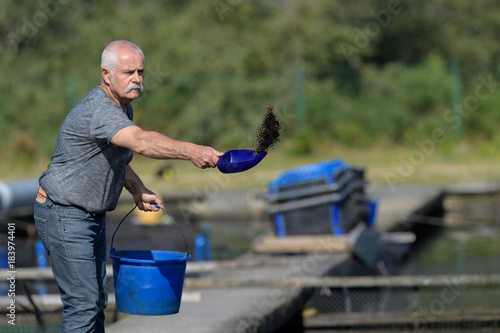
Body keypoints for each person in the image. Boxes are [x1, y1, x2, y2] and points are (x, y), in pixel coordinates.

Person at [33, 40, 223, 333]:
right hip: (63, 213)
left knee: (96, 301)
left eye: (140, 72)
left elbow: (115, 159)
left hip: (87, 215)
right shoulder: (101, 110)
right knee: (82, 304)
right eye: (128, 72)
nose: (137, 79)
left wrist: (137, 189)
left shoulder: (123, 108)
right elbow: (142, 142)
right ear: (106, 75)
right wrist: (192, 151)